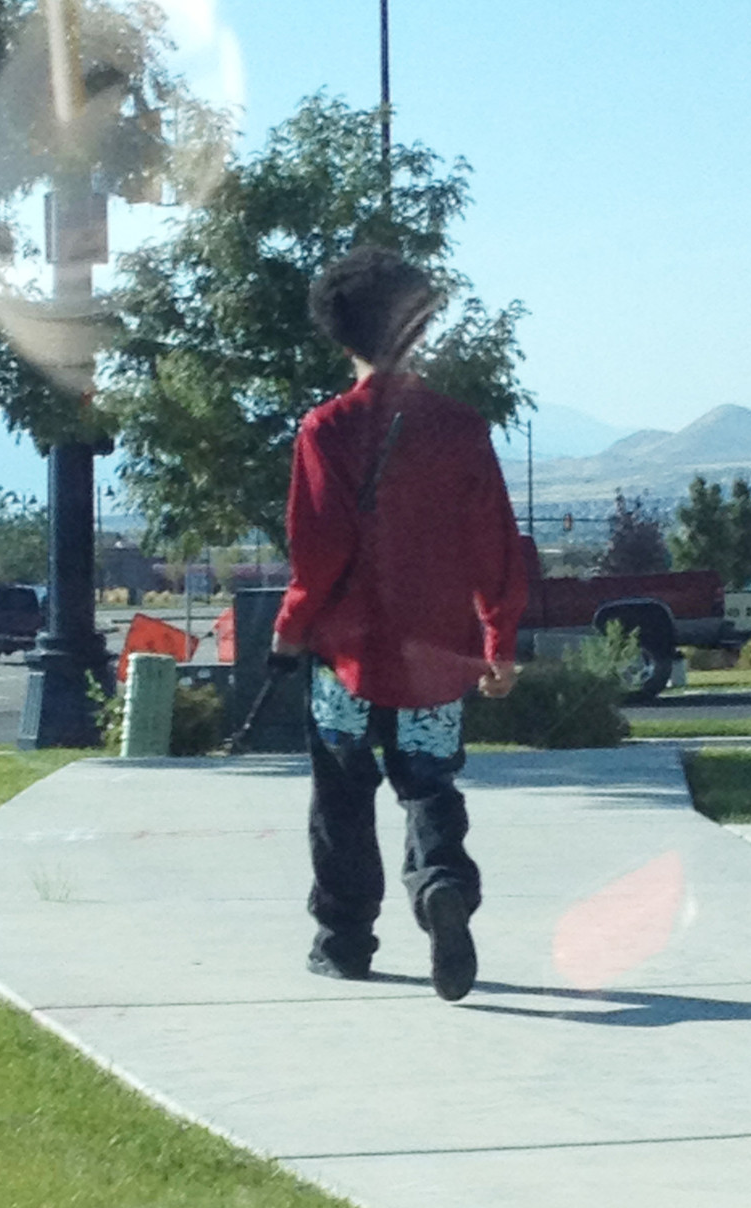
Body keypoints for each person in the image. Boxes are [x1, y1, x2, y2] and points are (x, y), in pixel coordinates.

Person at [270, 246, 528, 1002]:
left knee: (343, 798)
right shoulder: (461, 427)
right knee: (429, 786)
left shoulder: (325, 430)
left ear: (339, 333)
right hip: (437, 657)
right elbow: (495, 544)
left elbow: (318, 555)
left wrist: (289, 630)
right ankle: (441, 883)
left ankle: (344, 940)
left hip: (346, 657)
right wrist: (499, 641)